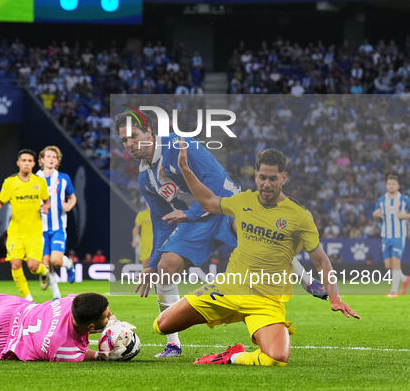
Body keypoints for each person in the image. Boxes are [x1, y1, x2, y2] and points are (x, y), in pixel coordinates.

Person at [115, 110, 326, 358]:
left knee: (258, 235)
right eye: (124, 140)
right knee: (165, 265)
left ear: (150, 131)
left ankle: (307, 280)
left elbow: (215, 181)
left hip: (225, 205)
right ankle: (173, 344)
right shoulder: (145, 177)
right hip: (196, 220)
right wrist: (151, 264)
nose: (129, 143)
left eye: (133, 135)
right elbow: (161, 223)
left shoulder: (178, 144)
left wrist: (191, 213)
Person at [153, 144, 359, 366]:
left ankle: (230, 356)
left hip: (266, 301)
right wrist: (185, 168)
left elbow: (321, 260)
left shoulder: (299, 216)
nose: (266, 184)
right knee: (162, 325)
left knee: (276, 358)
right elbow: (209, 202)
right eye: (262, 178)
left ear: (284, 178)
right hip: (228, 289)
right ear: (256, 176)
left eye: (273, 178)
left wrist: (335, 297)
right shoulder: (243, 202)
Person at [0, 149, 52, 302]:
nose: (26, 164)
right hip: (15, 232)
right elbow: (1, 201)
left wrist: (47, 207)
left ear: (34, 164)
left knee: (33, 267)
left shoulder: (39, 182)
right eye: (24, 161)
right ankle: (28, 299)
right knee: (15, 264)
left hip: (34, 232)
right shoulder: (10, 182)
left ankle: (44, 272)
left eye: (29, 161)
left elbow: (47, 201)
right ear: (18, 163)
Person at [35, 146, 76, 299]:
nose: (51, 159)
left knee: (56, 260)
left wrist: (69, 205)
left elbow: (72, 197)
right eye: (48, 156)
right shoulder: (35, 178)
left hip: (58, 227)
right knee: (45, 265)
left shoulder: (64, 178)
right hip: (40, 228)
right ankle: (56, 296)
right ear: (42, 160)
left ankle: (69, 264)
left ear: (57, 161)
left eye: (54, 157)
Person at [372, 174, 410, 297]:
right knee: (388, 265)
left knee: (396, 262)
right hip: (386, 236)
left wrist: (403, 216)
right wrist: (375, 214)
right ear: (386, 185)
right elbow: (375, 213)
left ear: (398, 186)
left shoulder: (404, 199)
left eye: (393, 184)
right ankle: (404, 279)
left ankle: (393, 291)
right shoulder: (382, 200)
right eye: (389, 184)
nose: (391, 186)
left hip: (399, 235)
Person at [132, 202, 153, 268]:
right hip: (145, 243)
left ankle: (156, 277)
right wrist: (134, 239)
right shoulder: (141, 214)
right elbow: (136, 228)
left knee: (156, 263)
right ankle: (145, 277)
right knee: (145, 264)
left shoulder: (158, 214)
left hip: (156, 243)